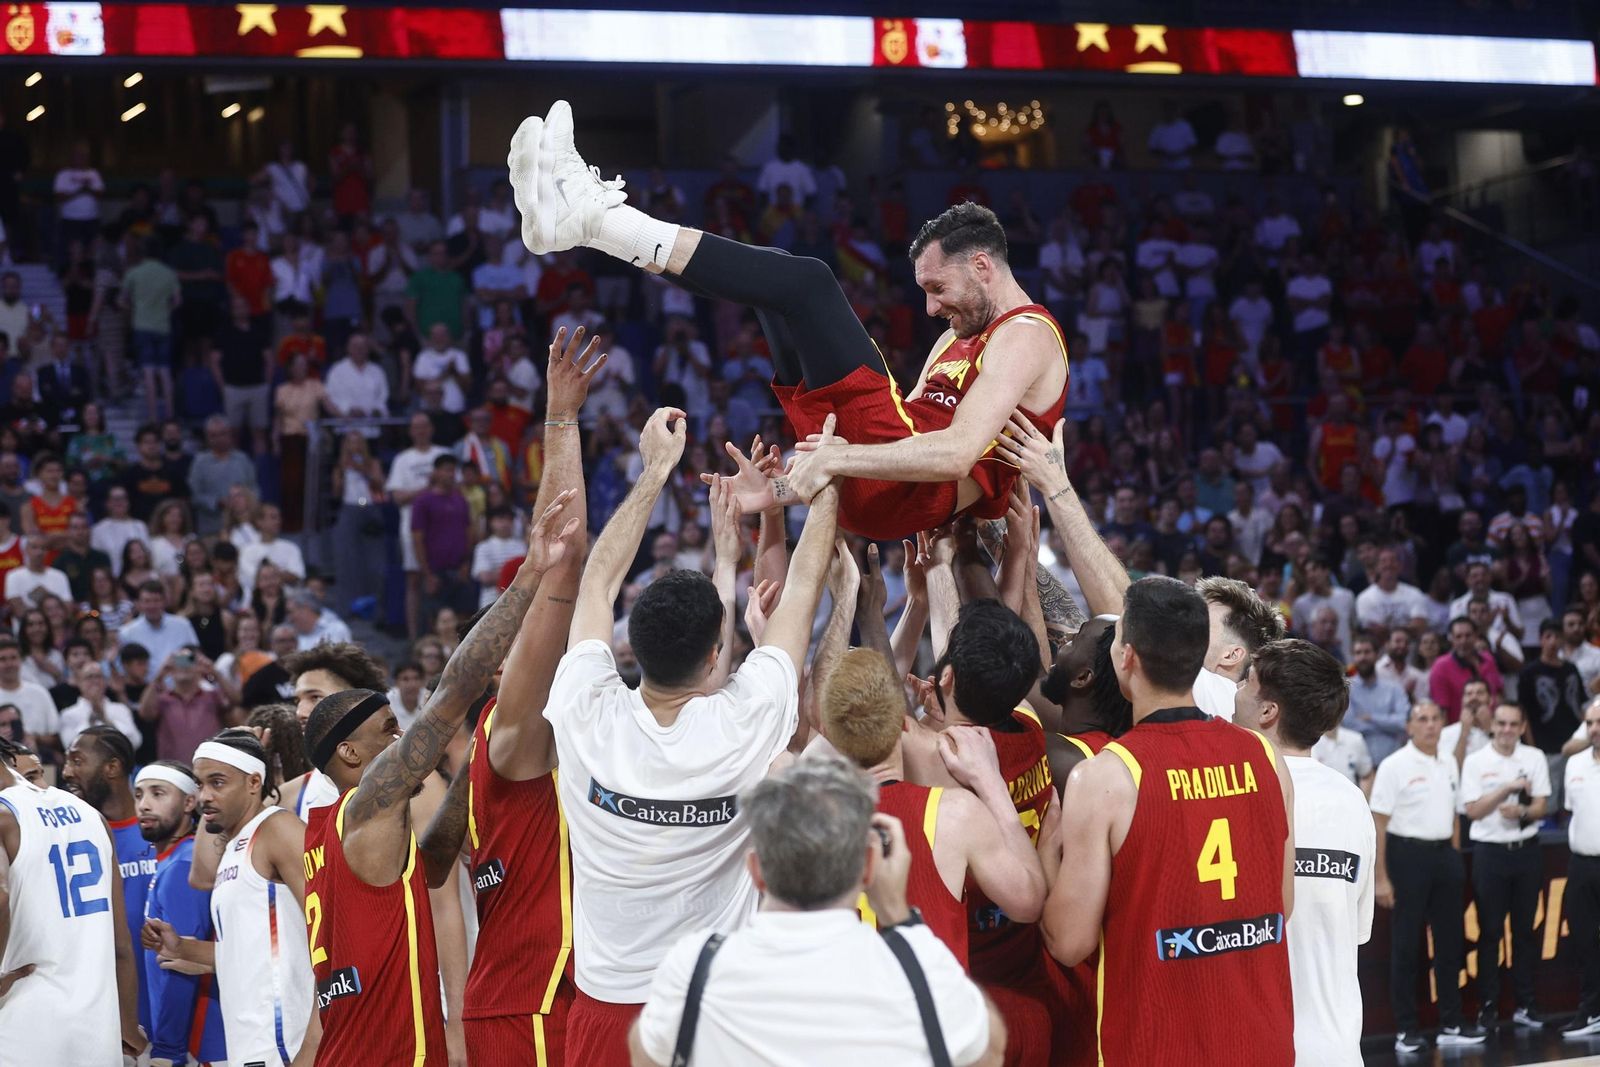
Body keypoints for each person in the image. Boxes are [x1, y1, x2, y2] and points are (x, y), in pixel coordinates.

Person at [510, 102, 1068, 541]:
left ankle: (596, 216)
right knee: (773, 282)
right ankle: (585, 228)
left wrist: (839, 456)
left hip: (900, 486)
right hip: (872, 479)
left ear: (982, 265)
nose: (930, 310)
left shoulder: (1025, 334)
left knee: (808, 283)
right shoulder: (957, 339)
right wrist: (773, 493)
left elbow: (954, 454)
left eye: (937, 289)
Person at [543, 406, 836, 1064]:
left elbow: (597, 579)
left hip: (606, 1013)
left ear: (628, 647)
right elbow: (805, 589)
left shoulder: (585, 712)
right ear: (715, 658)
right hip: (719, 1010)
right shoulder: (742, 725)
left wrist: (655, 470)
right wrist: (828, 480)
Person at [298, 490, 579, 1065]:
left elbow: (434, 862)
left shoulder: (326, 839)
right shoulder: (366, 805)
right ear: (350, 753)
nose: (400, 738)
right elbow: (454, 691)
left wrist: (482, 762)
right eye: (385, 730)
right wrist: (529, 574)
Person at [416, 325, 602, 1064]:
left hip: (545, 994)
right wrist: (560, 419)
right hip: (534, 1001)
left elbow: (436, 851)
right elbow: (568, 553)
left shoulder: (518, 743)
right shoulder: (513, 725)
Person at [1039, 577, 1295, 1065]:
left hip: (1154, 1046)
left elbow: (1069, 943)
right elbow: (1281, 905)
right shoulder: (1266, 756)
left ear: (1126, 657)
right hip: (1264, 1043)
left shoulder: (1106, 776)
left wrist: (1048, 853)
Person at [630, 755, 1004, 1067]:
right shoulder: (917, 977)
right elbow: (989, 1049)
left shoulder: (695, 968)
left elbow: (644, 1053)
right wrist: (900, 917)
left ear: (757, 871)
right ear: (869, 869)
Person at [821, 645, 1046, 962]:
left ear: (828, 732)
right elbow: (1029, 902)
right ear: (902, 722)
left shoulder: (804, 824)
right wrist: (992, 783)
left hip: (852, 1009)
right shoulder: (955, 814)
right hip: (934, 1008)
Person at [1233, 638, 1374, 1067]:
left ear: (1268, 711)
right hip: (1339, 1049)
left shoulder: (1235, 791)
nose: (1234, 693)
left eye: (1245, 682)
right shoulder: (1352, 799)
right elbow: (1358, 931)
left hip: (1261, 1044)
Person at [160, 729, 320, 1066]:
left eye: (217, 783)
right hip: (249, 1041)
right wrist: (184, 948)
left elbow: (334, 930)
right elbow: (251, 953)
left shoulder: (278, 829)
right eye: (199, 784)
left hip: (287, 1042)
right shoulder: (234, 847)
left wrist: (315, 1043)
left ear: (253, 782)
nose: (204, 796)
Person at [0, 734, 148, 1063]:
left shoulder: (5, 818)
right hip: (97, 1028)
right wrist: (128, 1029)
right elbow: (121, 943)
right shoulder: (90, 815)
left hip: (22, 1028)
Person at [1369, 701, 1486, 1051]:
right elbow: (1379, 823)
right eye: (1422, 719)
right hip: (1407, 856)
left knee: (1451, 942)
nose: (1430, 725)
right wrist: (1381, 878)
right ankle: (1407, 1028)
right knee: (1407, 945)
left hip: (1444, 856)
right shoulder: (1394, 766)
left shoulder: (1449, 760)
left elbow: (1453, 812)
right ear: (1409, 727)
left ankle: (1451, 1021)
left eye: (1436, 719)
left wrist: (1452, 853)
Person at [59, 723, 159, 1035]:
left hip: (172, 1004)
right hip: (103, 1014)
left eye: (77, 761)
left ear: (112, 767)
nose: (65, 772)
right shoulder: (67, 839)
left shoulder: (167, 833)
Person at [1460, 702, 1551, 1030]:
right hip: (1490, 853)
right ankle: (1488, 1006)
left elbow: (1542, 803)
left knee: (1525, 932)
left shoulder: (1535, 757)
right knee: (1490, 933)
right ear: (1493, 724)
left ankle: (1526, 1004)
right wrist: (1507, 789)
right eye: (1502, 723)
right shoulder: (1476, 761)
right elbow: (1472, 810)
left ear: (1522, 725)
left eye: (1514, 724)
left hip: (1527, 850)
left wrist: (1524, 813)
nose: (1508, 730)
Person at [130, 760, 226, 1064]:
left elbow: (180, 964)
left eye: (158, 794)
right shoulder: (174, 860)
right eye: (139, 794)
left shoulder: (183, 866)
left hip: (197, 1046)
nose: (144, 805)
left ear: (189, 802)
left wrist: (168, 1051)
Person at [1562, 698, 1600, 1037]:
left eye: (1599, 722)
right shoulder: (1574, 764)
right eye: (1589, 723)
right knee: (1584, 940)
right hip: (1582, 862)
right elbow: (1572, 810)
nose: (1594, 729)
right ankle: (1591, 1012)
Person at [1520, 618, 1587, 752]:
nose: (1553, 641)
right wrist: (1531, 748)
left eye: (1557, 636)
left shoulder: (1571, 669)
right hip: (1544, 744)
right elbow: (1523, 713)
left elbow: (1580, 707)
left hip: (1574, 742)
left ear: (1563, 640)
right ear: (1541, 639)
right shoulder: (1529, 673)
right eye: (1548, 636)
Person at [1345, 633, 1410, 764]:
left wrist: (1372, 718)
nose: (1363, 657)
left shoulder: (1394, 688)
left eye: (1367, 652)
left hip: (1392, 763)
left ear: (1377, 655)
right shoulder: (1346, 688)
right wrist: (1387, 726)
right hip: (1357, 765)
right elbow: (1348, 725)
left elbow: (1404, 723)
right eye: (1358, 653)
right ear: (1353, 657)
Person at [1430, 615, 1504, 722]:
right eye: (1458, 636)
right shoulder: (1441, 667)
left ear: (1476, 636)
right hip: (1459, 732)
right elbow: (1441, 711)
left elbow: (1498, 695)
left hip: (1491, 729)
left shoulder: (1488, 659)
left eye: (1468, 635)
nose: (1463, 641)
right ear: (1451, 638)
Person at [119, 579, 201, 675]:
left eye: (156, 601)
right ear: (139, 603)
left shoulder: (182, 625)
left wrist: (175, 662)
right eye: (147, 601)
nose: (152, 606)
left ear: (164, 601)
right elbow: (125, 669)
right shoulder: (127, 632)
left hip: (179, 684)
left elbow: (195, 657)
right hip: (144, 687)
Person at [58, 659, 140, 750]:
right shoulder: (68, 714)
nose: (94, 681)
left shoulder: (120, 709)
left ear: (105, 681)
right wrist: (90, 721)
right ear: (79, 682)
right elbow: (69, 746)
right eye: (89, 677)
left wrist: (106, 721)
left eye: (98, 676)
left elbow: (136, 741)